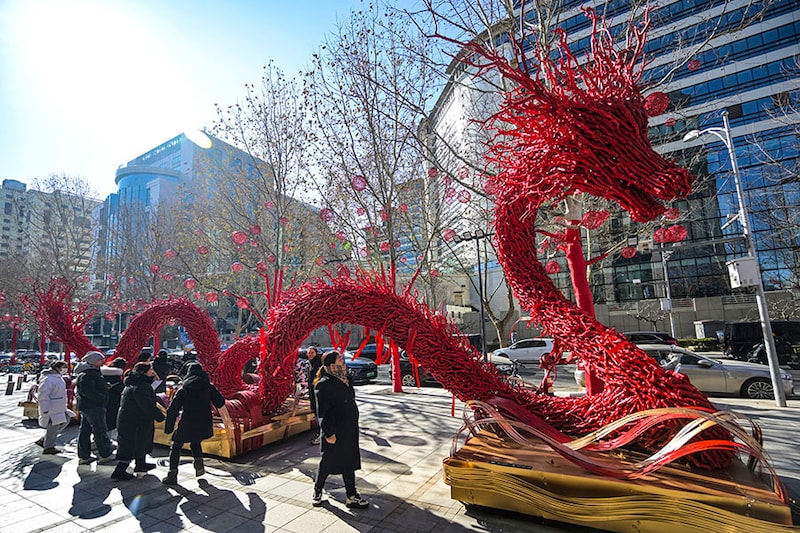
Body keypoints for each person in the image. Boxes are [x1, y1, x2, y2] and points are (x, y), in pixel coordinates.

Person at [312, 350, 369, 509]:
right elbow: (322, 412)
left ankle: (351, 496)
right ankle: (317, 490)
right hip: (334, 430)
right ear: (332, 365)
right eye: (340, 361)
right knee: (327, 463)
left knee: (349, 462)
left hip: (349, 428)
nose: (344, 364)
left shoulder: (345, 379)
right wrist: (329, 433)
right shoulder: (323, 383)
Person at [162, 362, 226, 485]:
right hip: (204, 422)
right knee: (195, 442)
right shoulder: (209, 387)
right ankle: (199, 466)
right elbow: (220, 402)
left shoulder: (184, 390)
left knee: (176, 446)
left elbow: (172, 410)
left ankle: (172, 475)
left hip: (187, 422)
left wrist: (168, 428)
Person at [111, 362, 165, 480]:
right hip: (133, 420)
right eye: (151, 369)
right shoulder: (140, 386)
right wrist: (159, 416)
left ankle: (141, 465)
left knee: (141, 442)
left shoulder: (137, 382)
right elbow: (146, 404)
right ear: (145, 372)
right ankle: (119, 471)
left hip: (135, 419)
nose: (153, 371)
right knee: (130, 444)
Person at [75, 351, 115, 465]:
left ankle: (84, 455)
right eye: (101, 359)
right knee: (99, 429)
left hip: (87, 406)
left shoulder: (88, 373)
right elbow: (89, 391)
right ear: (93, 361)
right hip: (94, 406)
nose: (103, 361)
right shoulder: (89, 374)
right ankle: (105, 453)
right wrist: (102, 398)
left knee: (85, 430)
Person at [36, 360, 74, 454]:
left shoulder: (57, 377)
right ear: (57, 368)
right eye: (63, 367)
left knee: (66, 419)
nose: (65, 369)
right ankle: (49, 447)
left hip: (59, 407)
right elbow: (43, 394)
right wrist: (45, 408)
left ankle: (44, 440)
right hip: (52, 408)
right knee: (54, 425)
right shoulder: (48, 379)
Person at [101, 357, 127, 435]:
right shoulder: (116, 375)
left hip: (102, 398)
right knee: (111, 419)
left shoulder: (103, 373)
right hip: (113, 399)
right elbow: (120, 388)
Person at [306, 346, 323, 446]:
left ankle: (322, 434)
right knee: (317, 414)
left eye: (312, 352)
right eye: (309, 353)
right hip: (313, 394)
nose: (310, 354)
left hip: (319, 394)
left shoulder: (318, 364)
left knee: (320, 414)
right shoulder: (311, 364)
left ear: (316, 353)